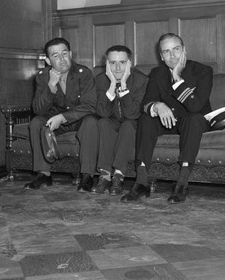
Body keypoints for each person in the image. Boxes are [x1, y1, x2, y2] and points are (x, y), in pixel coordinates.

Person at [121, 33, 213, 204]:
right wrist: (157, 106)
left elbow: (195, 106)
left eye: (176, 49)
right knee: (146, 119)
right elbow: (146, 103)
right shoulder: (157, 73)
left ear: (184, 50)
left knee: (193, 118)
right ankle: (141, 183)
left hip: (194, 121)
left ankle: (182, 184)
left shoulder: (203, 71)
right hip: (169, 121)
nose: (172, 56)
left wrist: (177, 78)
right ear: (161, 56)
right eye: (166, 52)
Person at [24, 37, 98, 192]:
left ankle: (87, 176)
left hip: (80, 120)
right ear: (48, 60)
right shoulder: (43, 76)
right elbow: (38, 109)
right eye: (55, 56)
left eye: (64, 53)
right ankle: (44, 174)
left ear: (70, 54)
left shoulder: (83, 73)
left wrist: (63, 118)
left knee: (91, 122)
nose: (62, 59)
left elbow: (90, 106)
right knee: (37, 122)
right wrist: (51, 86)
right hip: (55, 121)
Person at [92, 45, 148, 196]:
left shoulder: (141, 80)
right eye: (112, 63)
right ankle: (104, 175)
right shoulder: (100, 80)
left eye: (122, 62)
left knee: (128, 125)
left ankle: (118, 175)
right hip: (113, 121)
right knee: (103, 122)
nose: (117, 68)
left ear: (130, 63)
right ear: (106, 64)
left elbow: (132, 114)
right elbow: (102, 112)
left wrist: (123, 85)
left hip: (133, 123)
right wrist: (111, 85)